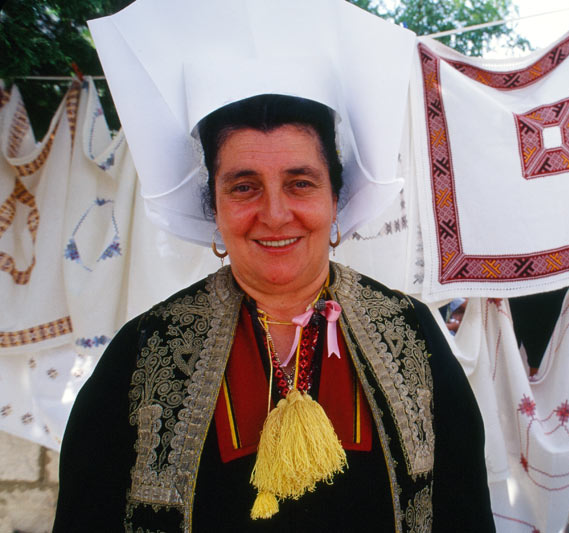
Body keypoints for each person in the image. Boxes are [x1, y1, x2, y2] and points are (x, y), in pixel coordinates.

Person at [53, 95, 494, 532]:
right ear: (216, 207)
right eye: (244, 187)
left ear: (335, 198)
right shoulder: (147, 352)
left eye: (300, 183)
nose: (275, 214)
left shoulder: (410, 333)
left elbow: (464, 510)